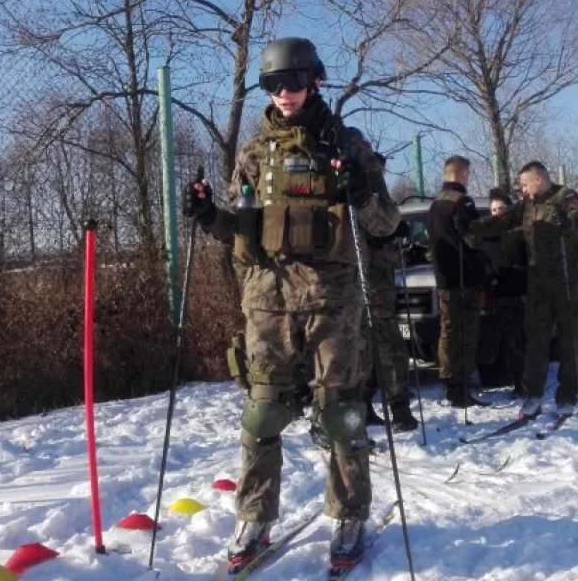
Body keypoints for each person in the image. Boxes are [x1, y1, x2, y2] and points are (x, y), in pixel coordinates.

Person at [183, 37, 399, 570]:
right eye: (273, 84)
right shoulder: (254, 153)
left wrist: (362, 192)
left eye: (294, 82)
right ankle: (255, 516)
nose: (284, 93)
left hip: (332, 301)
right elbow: (242, 228)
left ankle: (349, 513)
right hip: (268, 302)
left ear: (315, 81)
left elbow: (385, 224)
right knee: (261, 414)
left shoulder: (349, 144)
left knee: (341, 412)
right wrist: (208, 214)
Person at [467, 161, 578, 419]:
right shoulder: (526, 205)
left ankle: (567, 395)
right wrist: (472, 228)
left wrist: (567, 222)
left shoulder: (564, 195)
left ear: (537, 180)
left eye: (524, 184)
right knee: (535, 340)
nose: (522, 189)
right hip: (539, 285)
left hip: (568, 284)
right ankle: (532, 394)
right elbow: (502, 222)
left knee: (569, 342)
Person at [361, 155, 419, 432]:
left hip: (376, 291)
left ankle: (390, 408)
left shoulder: (379, 203)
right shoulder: (363, 200)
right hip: (369, 291)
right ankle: (396, 408)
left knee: (373, 351)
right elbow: (387, 257)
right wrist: (391, 243)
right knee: (388, 351)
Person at [427, 156, 487, 407]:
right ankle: (460, 384)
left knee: (448, 331)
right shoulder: (463, 202)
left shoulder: (434, 204)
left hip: (444, 277)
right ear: (463, 174)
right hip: (465, 276)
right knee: (465, 331)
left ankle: (449, 380)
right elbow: (473, 238)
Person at [478, 188, 530, 395]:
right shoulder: (486, 237)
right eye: (493, 210)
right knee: (511, 342)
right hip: (500, 295)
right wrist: (489, 277)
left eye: (501, 209)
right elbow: (482, 263)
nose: (498, 213)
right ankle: (520, 383)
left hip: (523, 292)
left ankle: (531, 382)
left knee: (528, 339)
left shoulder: (520, 233)